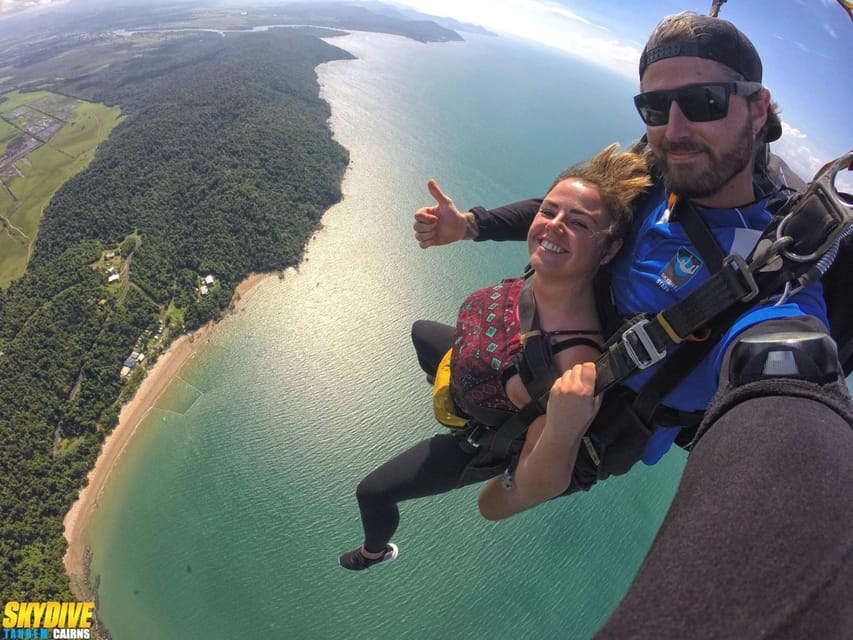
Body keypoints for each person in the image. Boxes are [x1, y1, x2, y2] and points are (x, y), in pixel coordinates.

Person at [413, 11, 853, 634]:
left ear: (758, 110)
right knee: (431, 341)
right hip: (545, 347)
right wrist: (474, 225)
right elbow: (568, 209)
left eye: (702, 100)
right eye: (654, 105)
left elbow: (785, 395)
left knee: (495, 501)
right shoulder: (658, 178)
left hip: (602, 424)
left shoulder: (777, 274)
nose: (674, 128)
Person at [338, 143, 651, 570]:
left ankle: (375, 553)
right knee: (421, 333)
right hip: (481, 366)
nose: (554, 226)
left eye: (577, 222)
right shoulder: (546, 276)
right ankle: (465, 397)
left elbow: (511, 497)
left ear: (609, 250)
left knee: (372, 492)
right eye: (550, 211)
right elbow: (545, 224)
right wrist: (467, 225)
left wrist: (562, 429)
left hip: (481, 440)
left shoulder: (570, 363)